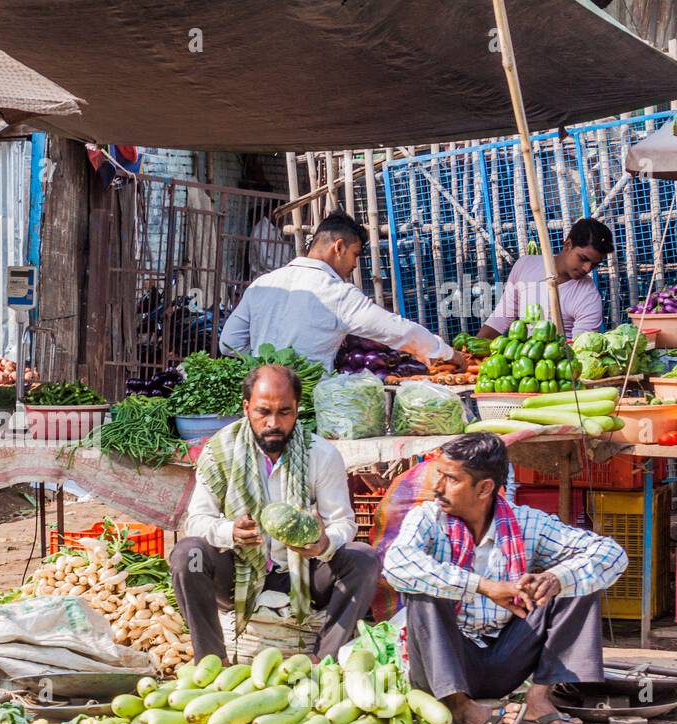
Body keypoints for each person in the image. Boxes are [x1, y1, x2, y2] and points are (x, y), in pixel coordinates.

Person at [383, 432, 627, 724]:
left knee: (580, 580)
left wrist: (555, 578)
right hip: (447, 663)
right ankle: (460, 708)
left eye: (451, 479)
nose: (437, 487)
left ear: (484, 488)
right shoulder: (428, 519)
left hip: (508, 659)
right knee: (425, 590)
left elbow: (611, 554)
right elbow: (397, 564)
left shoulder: (525, 523)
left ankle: (539, 699)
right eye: (438, 475)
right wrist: (482, 586)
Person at [172, 364, 380, 662]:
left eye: (284, 412)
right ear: (246, 408)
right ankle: (211, 661)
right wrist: (230, 532)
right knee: (187, 555)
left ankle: (324, 660)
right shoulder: (220, 451)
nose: (273, 422)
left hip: (304, 574)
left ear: (297, 410)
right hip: (237, 570)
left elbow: (343, 522)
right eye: (263, 412)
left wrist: (323, 544)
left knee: (364, 560)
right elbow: (197, 521)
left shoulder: (320, 454)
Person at [219, 211, 467, 371]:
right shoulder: (336, 293)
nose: (355, 264)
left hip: (261, 401)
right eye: (355, 254)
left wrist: (263, 369)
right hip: (309, 403)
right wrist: (447, 353)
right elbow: (398, 330)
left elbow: (228, 343)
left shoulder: (262, 284)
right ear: (338, 247)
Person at [478, 218, 613, 342]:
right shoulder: (525, 265)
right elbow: (500, 318)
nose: (587, 268)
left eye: (594, 264)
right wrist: (469, 354)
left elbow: (579, 349)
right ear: (568, 245)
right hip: (523, 361)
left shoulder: (588, 297)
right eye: (583, 259)